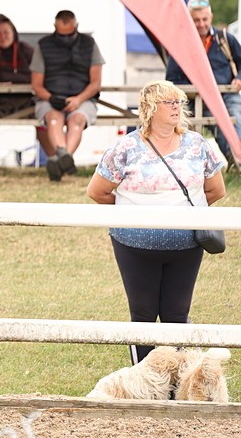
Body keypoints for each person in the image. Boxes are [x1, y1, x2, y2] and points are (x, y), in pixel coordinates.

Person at [86, 80, 226, 365]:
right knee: (143, 313)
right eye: (169, 102)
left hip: (186, 245)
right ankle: (144, 380)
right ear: (151, 108)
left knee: (177, 313)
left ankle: (180, 381)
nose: (177, 107)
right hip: (134, 245)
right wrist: (135, 211)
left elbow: (216, 190)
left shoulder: (198, 145)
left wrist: (179, 213)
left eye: (178, 102)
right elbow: (97, 191)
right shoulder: (125, 147)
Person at [164, 0, 241, 167]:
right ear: (189, 20)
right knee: (183, 125)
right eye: (196, 20)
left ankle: (237, 161)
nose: (201, 24)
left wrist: (239, 78)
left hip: (226, 94)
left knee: (234, 117)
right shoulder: (180, 44)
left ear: (211, 17)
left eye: (204, 19)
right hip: (194, 98)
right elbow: (171, 79)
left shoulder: (225, 39)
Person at [31, 9, 104, 181]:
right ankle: (65, 158)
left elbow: (95, 83)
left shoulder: (90, 44)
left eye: (68, 35)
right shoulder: (43, 45)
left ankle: (61, 159)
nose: (64, 39)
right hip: (50, 97)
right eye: (61, 35)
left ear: (76, 27)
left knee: (77, 120)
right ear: (54, 27)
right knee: (53, 118)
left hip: (83, 98)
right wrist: (50, 97)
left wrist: (79, 99)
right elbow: (36, 84)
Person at [0, 14, 36, 174]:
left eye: (6, 32)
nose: (3, 36)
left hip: (26, 100)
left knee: (44, 118)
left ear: (13, 31)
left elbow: (38, 76)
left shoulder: (26, 50)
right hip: (1, 99)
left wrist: (11, 81)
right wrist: (0, 82)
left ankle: (57, 161)